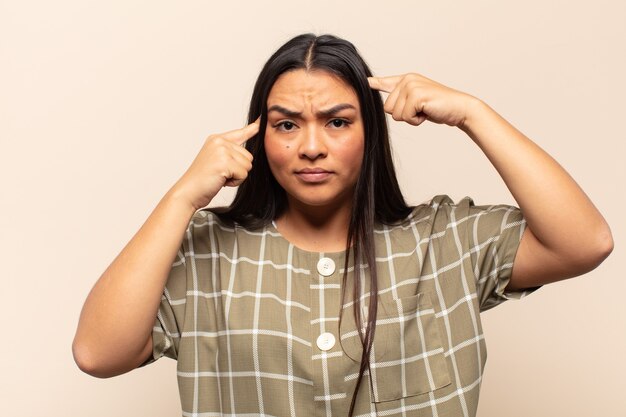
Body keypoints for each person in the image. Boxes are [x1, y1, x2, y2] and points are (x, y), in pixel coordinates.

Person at [72, 33, 613, 417]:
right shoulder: (207, 252)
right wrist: (183, 195)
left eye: (337, 121)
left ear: (369, 133)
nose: (311, 146)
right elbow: (99, 354)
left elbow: (584, 242)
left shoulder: (446, 239)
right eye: (286, 124)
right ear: (259, 137)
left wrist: (472, 112)